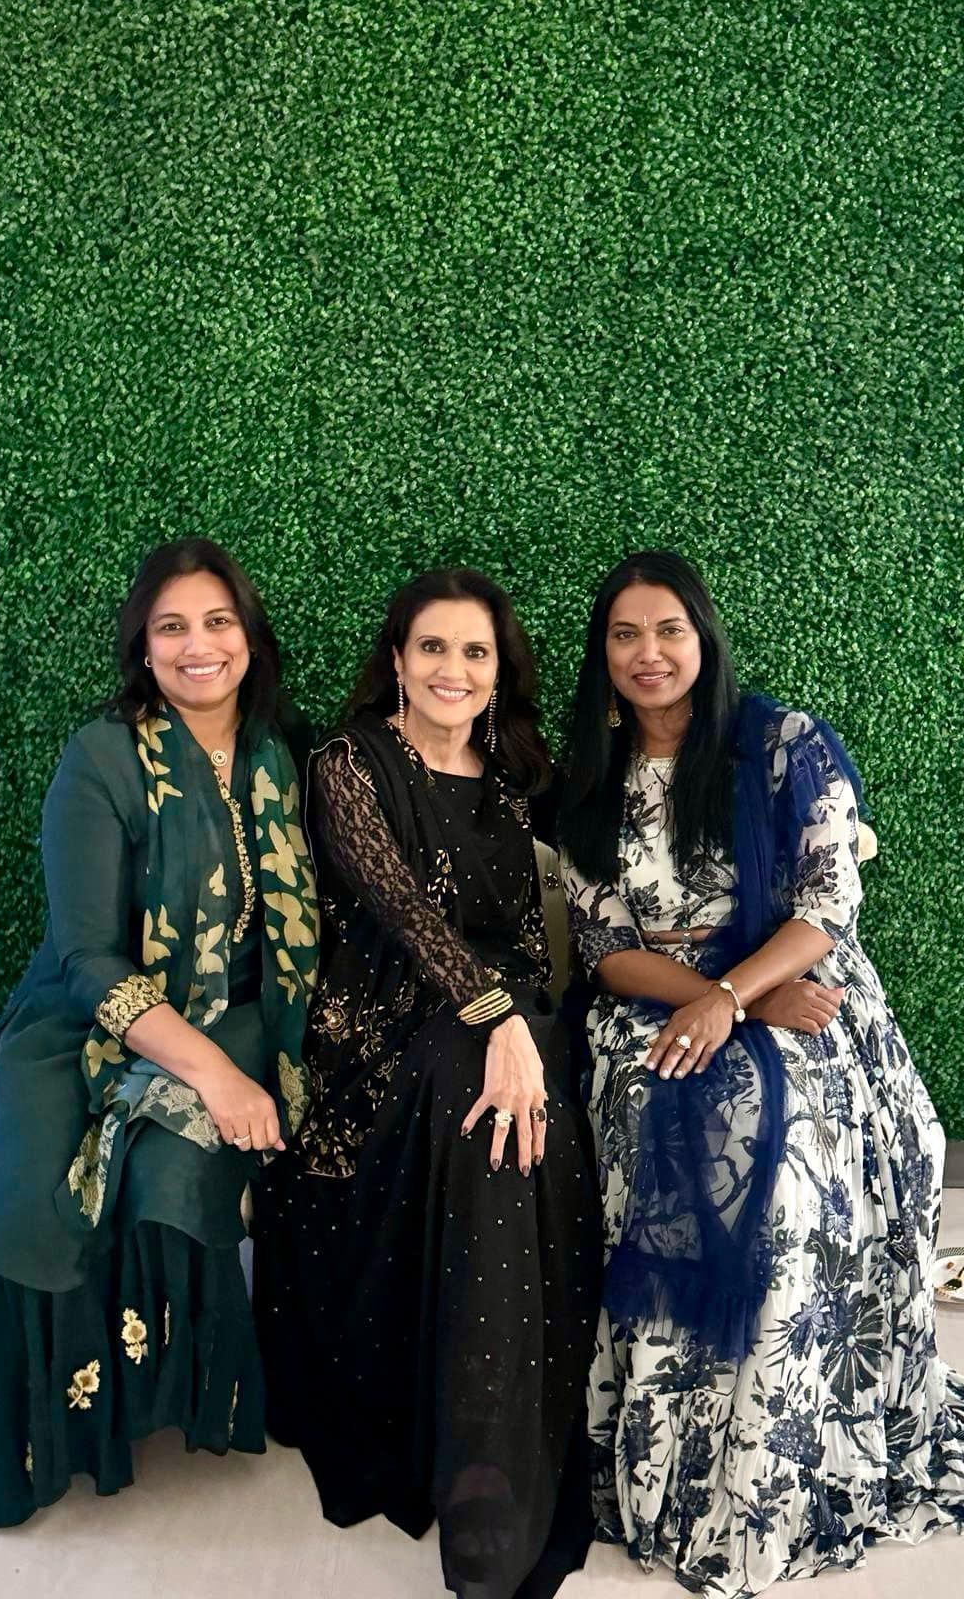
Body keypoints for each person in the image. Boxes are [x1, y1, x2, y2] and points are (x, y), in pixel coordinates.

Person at [558, 550, 964, 1595]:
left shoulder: (785, 745)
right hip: (652, 1004)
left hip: (797, 985)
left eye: (669, 630)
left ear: (703, 638)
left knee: (794, 1167)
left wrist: (738, 994)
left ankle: (787, 1459)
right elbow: (601, 945)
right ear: (602, 654)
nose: (650, 653)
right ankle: (684, 1464)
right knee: (670, 1132)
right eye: (625, 635)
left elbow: (826, 905)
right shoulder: (585, 777)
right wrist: (702, 998)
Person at [0, 537, 319, 1527]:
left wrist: (259, 1059)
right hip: (79, 1022)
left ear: (248, 637)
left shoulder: (278, 755)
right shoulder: (100, 756)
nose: (198, 646)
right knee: (36, 1210)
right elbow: (88, 956)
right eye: (171, 627)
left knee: (166, 1178)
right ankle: (18, 1337)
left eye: (218, 622)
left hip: (230, 1013)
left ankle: (162, 1395)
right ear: (142, 649)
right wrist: (220, 1083)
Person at [252, 568, 600, 1599]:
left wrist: (524, 1019)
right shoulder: (349, 764)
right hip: (379, 1035)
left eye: (476, 652)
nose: (454, 669)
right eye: (434, 648)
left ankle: (509, 1443)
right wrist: (496, 1019)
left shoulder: (515, 774)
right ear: (396, 660)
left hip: (506, 1020)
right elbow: (401, 910)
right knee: (490, 1109)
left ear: (500, 673)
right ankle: (483, 1494)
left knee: (522, 1109)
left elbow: (554, 921)